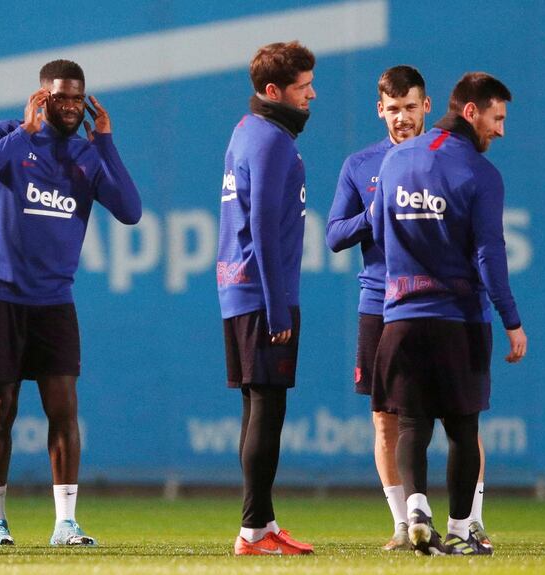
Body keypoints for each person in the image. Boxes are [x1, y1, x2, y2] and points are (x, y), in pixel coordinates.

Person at [0, 59, 142, 547]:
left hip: (53, 299)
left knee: (64, 409)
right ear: (41, 96)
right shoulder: (5, 134)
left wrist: (105, 140)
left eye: (76, 99)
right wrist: (25, 129)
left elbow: (130, 210)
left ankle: (65, 522)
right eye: (59, 97)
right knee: (2, 411)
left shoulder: (85, 154)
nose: (68, 106)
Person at [326, 66, 493, 551]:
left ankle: (472, 518)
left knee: (462, 416)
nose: (402, 118)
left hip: (443, 303)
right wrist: (374, 213)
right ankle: (405, 523)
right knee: (386, 418)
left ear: (427, 106)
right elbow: (335, 233)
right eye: (392, 109)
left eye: (410, 107)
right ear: (380, 110)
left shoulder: (451, 160)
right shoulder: (361, 165)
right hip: (381, 302)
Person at [370, 72, 527, 556]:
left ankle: (416, 507)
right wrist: (511, 318)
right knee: (463, 428)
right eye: (497, 118)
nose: (500, 130)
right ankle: (461, 530)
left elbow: (378, 228)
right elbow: (489, 254)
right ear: (471, 111)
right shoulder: (480, 174)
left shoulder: (395, 160)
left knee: (412, 424)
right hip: (459, 317)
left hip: (400, 316)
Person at [217, 41, 316, 556]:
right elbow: (261, 226)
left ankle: (259, 523)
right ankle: (253, 531)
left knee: (254, 409)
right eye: (302, 88)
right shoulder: (273, 140)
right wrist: (278, 308)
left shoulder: (244, 130)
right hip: (263, 295)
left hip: (239, 290)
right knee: (268, 409)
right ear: (274, 91)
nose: (311, 96)